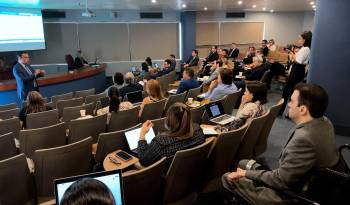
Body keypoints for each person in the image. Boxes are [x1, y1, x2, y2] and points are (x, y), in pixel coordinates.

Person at [222, 83, 346, 205]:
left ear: (302, 109)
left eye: (291, 101)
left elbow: (281, 180)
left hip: (293, 194)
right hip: (312, 181)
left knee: (227, 178)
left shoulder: (304, 139)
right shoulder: (324, 122)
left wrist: (245, 174)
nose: (289, 104)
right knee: (242, 163)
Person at [137, 102, 205, 167]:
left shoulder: (161, 142)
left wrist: (142, 135)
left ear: (169, 121)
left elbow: (144, 161)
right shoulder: (198, 131)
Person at [279, 31, 312, 116]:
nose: (298, 40)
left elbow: (298, 61)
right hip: (298, 71)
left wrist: (291, 54)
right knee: (291, 93)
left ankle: (280, 112)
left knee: (287, 92)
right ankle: (289, 113)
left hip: (297, 71)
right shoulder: (305, 48)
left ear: (305, 39)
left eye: (300, 39)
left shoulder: (305, 49)